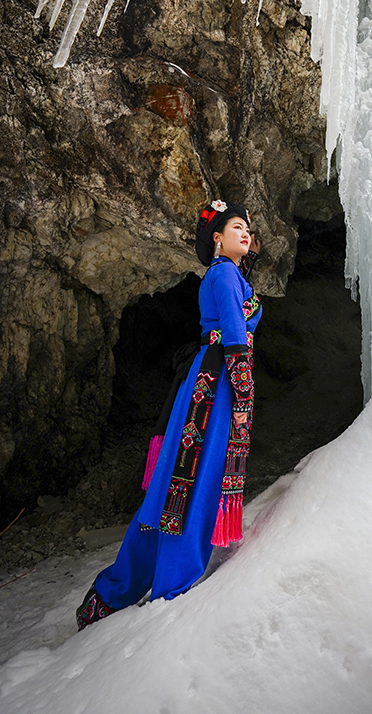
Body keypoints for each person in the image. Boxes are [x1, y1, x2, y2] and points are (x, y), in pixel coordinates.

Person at [76, 200, 262, 629]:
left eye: (248, 228)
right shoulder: (224, 273)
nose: (246, 233)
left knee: (180, 478)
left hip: (210, 380)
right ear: (217, 237)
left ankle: (117, 589)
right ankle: (173, 582)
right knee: (195, 477)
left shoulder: (230, 275)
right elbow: (235, 332)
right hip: (217, 381)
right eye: (237, 227)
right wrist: (243, 381)